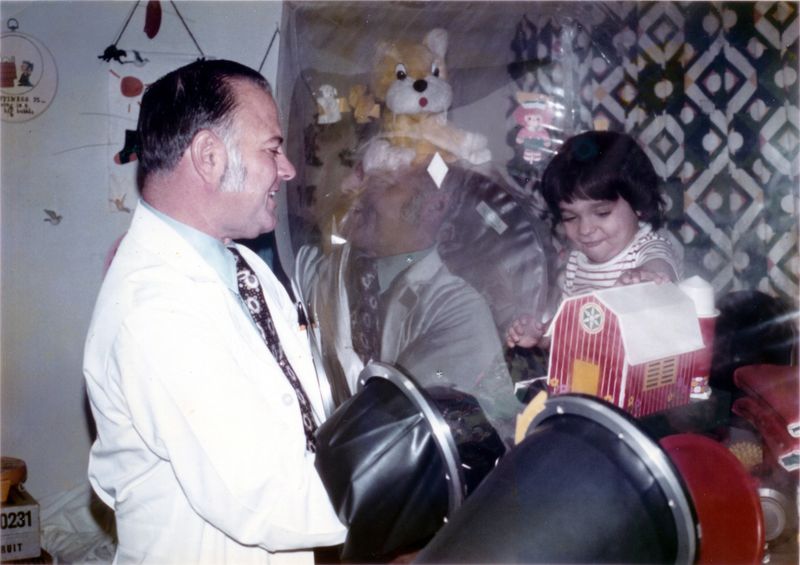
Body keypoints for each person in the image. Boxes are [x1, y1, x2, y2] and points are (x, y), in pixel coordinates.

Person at [83, 59, 346, 563]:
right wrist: (412, 488)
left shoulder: (240, 263)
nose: (287, 168)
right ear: (208, 156)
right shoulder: (153, 309)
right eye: (272, 148)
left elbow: (304, 390)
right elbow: (266, 500)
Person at [296, 165, 519, 442]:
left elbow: (403, 428)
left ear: (434, 207)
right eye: (361, 177)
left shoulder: (457, 309)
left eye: (387, 183)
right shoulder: (318, 267)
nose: (359, 191)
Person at [506, 130, 681, 348]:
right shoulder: (575, 263)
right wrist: (538, 334)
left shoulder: (646, 247)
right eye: (570, 217)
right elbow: (567, 328)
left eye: (602, 213)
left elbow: (661, 272)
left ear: (637, 205)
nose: (586, 229)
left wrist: (646, 278)